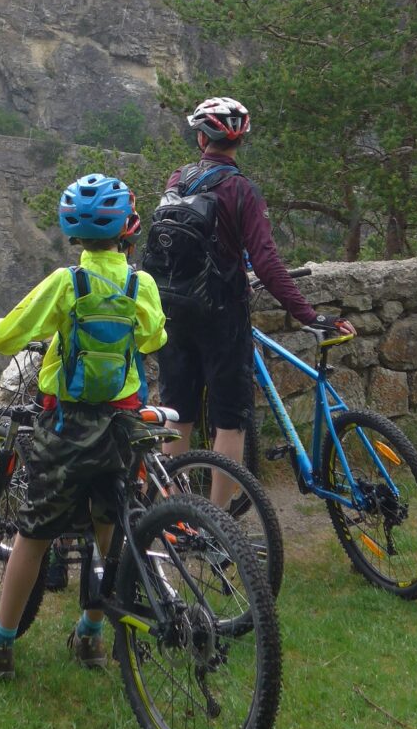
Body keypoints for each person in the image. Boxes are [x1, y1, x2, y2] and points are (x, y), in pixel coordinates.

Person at [0, 173, 166, 682]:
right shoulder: (143, 285)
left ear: (73, 231)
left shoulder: (66, 285)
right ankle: (91, 635)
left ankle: (1, 645)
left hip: (66, 425)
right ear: (123, 230)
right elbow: (155, 339)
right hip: (122, 423)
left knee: (34, 533)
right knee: (106, 525)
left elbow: (6, 336)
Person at [151, 96, 355, 502]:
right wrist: (309, 316)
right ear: (240, 141)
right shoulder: (241, 189)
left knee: (177, 414)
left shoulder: (177, 179)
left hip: (171, 307)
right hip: (221, 314)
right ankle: (218, 525)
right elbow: (266, 262)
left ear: (199, 138)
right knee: (230, 421)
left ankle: (167, 519)